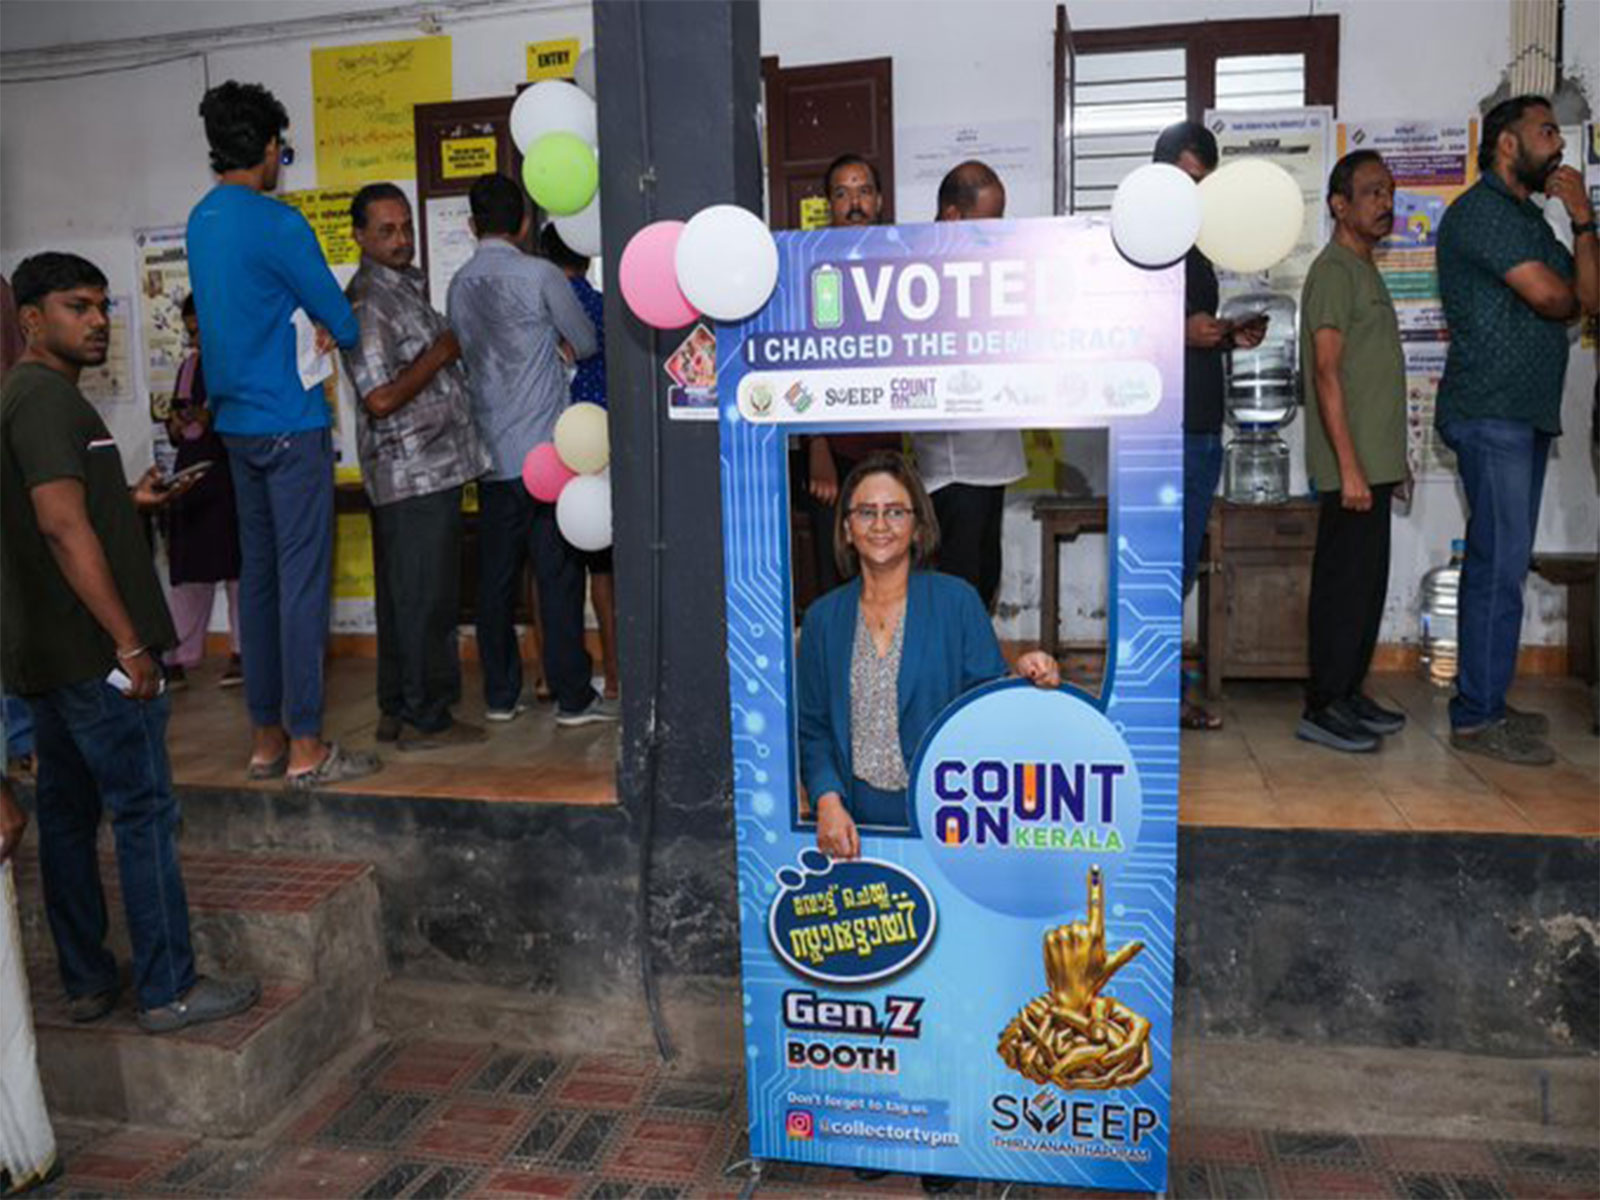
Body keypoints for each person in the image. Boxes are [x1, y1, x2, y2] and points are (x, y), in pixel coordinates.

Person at [1, 251, 259, 1035]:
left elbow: (64, 505)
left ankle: (86, 982)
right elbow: (58, 523)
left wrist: (131, 498)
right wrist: (130, 644)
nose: (98, 321)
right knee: (145, 814)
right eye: (78, 307)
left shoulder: (25, 398)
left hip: (50, 658)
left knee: (70, 819)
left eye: (102, 306)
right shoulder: (44, 399)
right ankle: (168, 989)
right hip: (95, 658)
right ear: (31, 319)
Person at [186, 80, 378, 789]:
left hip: (234, 425)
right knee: (303, 585)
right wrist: (332, 325)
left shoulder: (201, 221)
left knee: (260, 581)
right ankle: (306, 747)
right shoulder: (278, 223)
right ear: (269, 149)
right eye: (281, 151)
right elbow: (344, 319)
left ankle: (265, 741)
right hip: (290, 427)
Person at [1436, 94, 1599, 764]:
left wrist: (1585, 222)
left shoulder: (1533, 222)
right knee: (1497, 566)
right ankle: (1476, 714)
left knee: (1503, 564)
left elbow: (1591, 297)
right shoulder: (1480, 214)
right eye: (1546, 132)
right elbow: (1556, 298)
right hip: (1490, 411)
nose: (1558, 146)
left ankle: (1488, 702)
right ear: (1508, 144)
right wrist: (1576, 260)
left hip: (1524, 413)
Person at [798, 451, 1061, 855]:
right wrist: (827, 801)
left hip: (946, 818)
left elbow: (988, 704)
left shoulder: (957, 602)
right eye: (866, 512)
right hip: (852, 823)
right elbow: (812, 728)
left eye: (896, 512)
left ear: (918, 527)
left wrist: (1027, 676)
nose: (881, 525)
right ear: (847, 528)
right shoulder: (822, 619)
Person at [449, 174, 614, 728]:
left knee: (496, 581)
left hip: (491, 452)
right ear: (524, 222)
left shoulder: (458, 284)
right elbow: (586, 341)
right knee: (557, 578)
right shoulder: (540, 273)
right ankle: (571, 697)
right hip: (546, 454)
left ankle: (499, 695)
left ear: (472, 225)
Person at [344, 184, 490, 750]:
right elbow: (379, 398)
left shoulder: (402, 288)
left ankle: (397, 705)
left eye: (405, 226)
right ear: (359, 235)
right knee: (426, 598)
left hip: (429, 466)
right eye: (386, 230)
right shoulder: (368, 302)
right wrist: (442, 353)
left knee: (407, 596)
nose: (401, 239)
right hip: (414, 471)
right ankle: (428, 716)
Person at [1151, 122, 1269, 732]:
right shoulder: (1138, 243)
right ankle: (1154, 699)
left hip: (1200, 427)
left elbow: (1194, 332)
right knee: (1156, 573)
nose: (1195, 197)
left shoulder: (1199, 250)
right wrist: (1183, 332)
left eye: (1205, 187)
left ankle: (1163, 694)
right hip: (1156, 435)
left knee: (1178, 570)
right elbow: (1117, 332)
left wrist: (1227, 336)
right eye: (1188, 181)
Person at [1297, 151, 1410, 753]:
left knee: (1366, 588)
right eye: (1371, 192)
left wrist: (1399, 462)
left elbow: (1375, 378)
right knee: (1343, 588)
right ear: (1340, 205)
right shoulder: (1335, 271)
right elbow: (1327, 372)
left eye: (1389, 192)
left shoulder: (1365, 269)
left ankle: (1347, 693)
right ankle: (1321, 705)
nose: (1384, 202)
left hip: (1374, 466)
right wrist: (1348, 466)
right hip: (1350, 469)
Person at [909, 161, 1026, 614]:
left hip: (994, 449)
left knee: (986, 576)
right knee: (960, 582)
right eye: (990, 221)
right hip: (955, 461)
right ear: (954, 217)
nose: (998, 232)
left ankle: (975, 670)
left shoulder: (995, 266)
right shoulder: (918, 267)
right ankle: (956, 676)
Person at [802, 154, 905, 597]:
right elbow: (801, 362)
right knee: (837, 569)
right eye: (842, 193)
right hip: (835, 452)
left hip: (886, 445)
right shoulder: (808, 267)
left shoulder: (904, 262)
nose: (854, 202)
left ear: (879, 200)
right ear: (829, 204)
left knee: (890, 564)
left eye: (863, 191)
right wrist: (817, 444)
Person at [539, 224, 619, 700]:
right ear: (587, 257)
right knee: (605, 568)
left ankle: (547, 675)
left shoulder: (543, 307)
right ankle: (615, 675)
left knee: (548, 569)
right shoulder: (604, 305)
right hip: (604, 442)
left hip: (553, 448)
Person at [162, 294, 243, 691]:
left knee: (238, 571)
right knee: (188, 574)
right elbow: (177, 426)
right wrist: (178, 425)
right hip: (191, 480)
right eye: (190, 331)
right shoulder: (189, 366)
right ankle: (177, 655)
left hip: (229, 475)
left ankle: (244, 653)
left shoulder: (235, 362)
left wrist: (213, 416)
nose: (195, 339)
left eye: (200, 330)